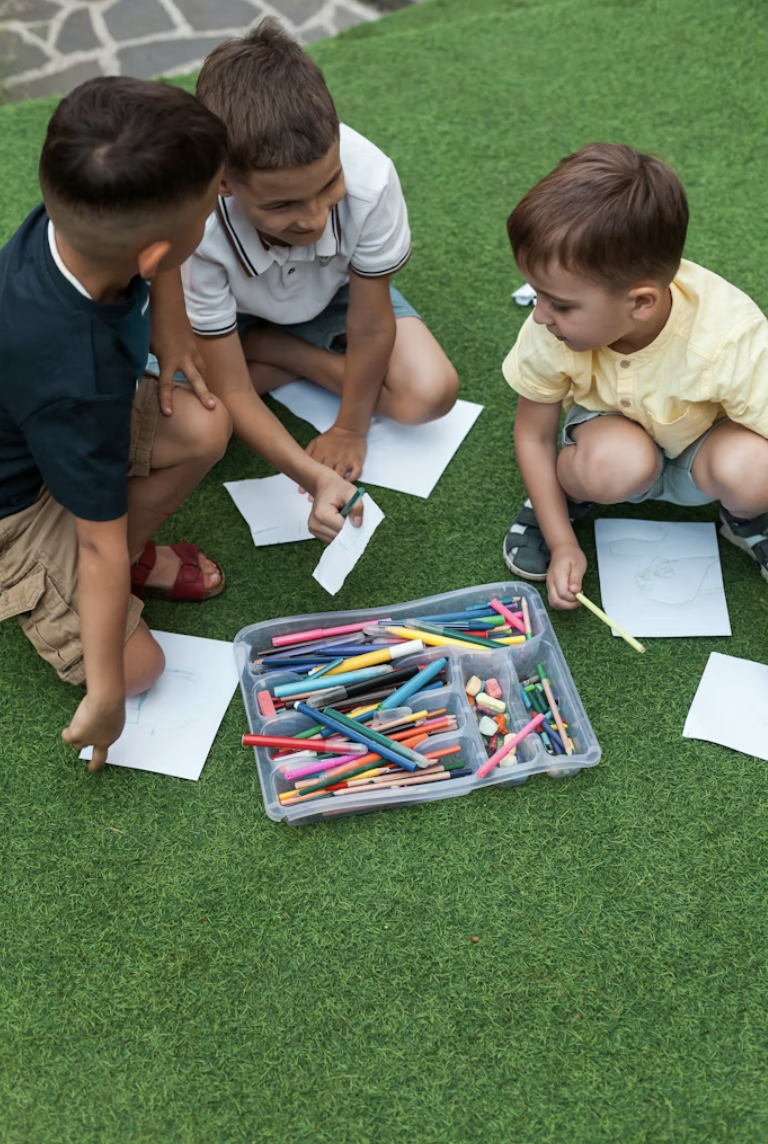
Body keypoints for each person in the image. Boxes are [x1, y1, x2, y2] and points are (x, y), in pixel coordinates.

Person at [0, 77, 233, 771]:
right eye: (212, 202)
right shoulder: (78, 372)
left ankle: (129, 559)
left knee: (202, 429)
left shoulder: (79, 208)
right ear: (157, 253)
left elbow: (159, 252)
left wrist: (167, 309)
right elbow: (96, 546)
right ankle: (58, 590)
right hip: (14, 505)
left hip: (50, 427)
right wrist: (104, 694)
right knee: (138, 670)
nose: (224, 198)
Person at [180, 18, 459, 484]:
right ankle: (263, 347)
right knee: (199, 425)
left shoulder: (372, 178)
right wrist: (308, 473)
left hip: (336, 295)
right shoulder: (196, 224)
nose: (311, 219)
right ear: (223, 182)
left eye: (330, 183)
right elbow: (230, 388)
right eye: (282, 204)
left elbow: (370, 323)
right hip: (234, 314)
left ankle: (282, 353)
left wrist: (351, 427)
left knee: (431, 394)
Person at [501, 142, 768, 608]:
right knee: (616, 462)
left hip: (701, 452)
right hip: (610, 444)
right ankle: (566, 499)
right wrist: (562, 541)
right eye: (538, 295)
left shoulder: (729, 337)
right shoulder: (551, 329)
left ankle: (745, 518)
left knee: (756, 471)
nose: (540, 315)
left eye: (561, 304)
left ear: (641, 302)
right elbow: (534, 437)